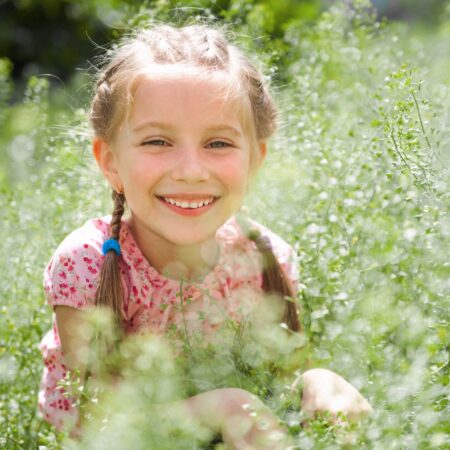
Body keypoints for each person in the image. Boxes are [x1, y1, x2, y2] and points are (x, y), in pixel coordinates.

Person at [38, 23, 372, 448]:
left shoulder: (265, 256)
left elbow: (275, 383)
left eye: (217, 143)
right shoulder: (87, 263)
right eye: (158, 141)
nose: (192, 170)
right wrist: (224, 407)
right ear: (110, 161)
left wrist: (313, 384)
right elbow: (104, 422)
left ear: (255, 159)